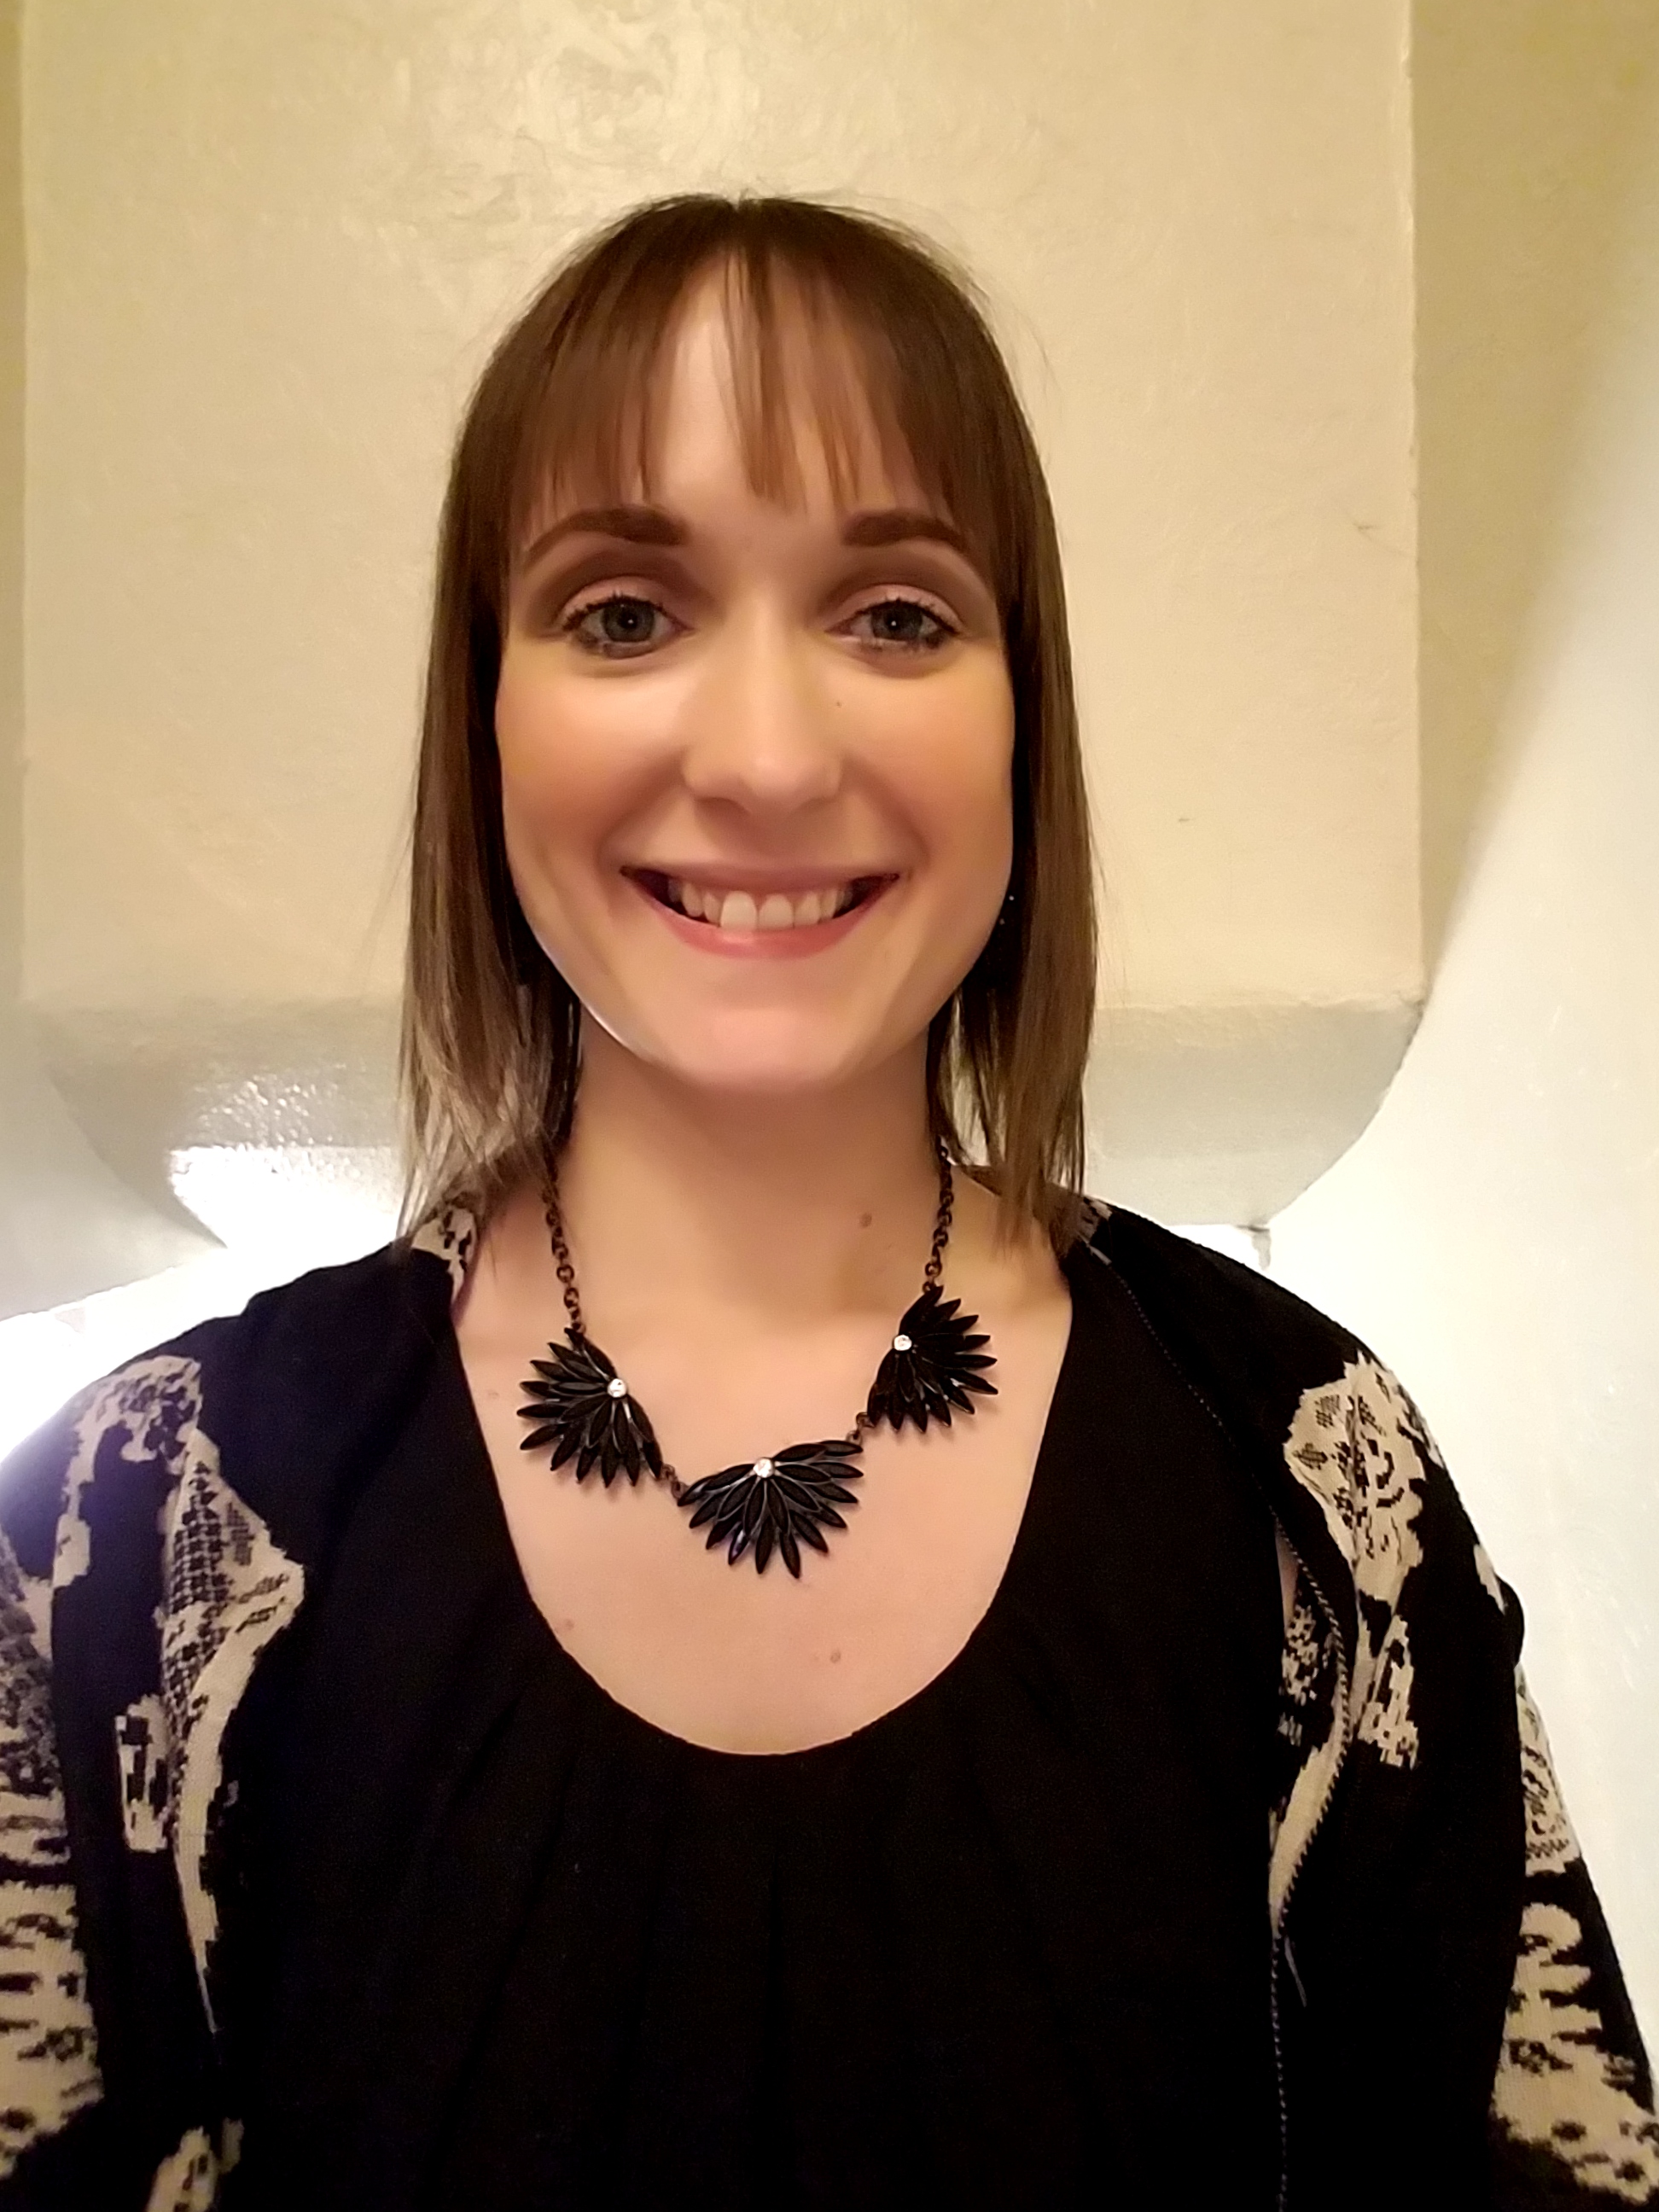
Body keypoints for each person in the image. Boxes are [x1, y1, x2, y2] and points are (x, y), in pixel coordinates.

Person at [0, 193, 1651, 2211]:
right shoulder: (130, 1533)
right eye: (626, 614)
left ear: (1023, 714)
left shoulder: (1318, 1491)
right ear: (485, 710)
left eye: (896, 616)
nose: (769, 759)